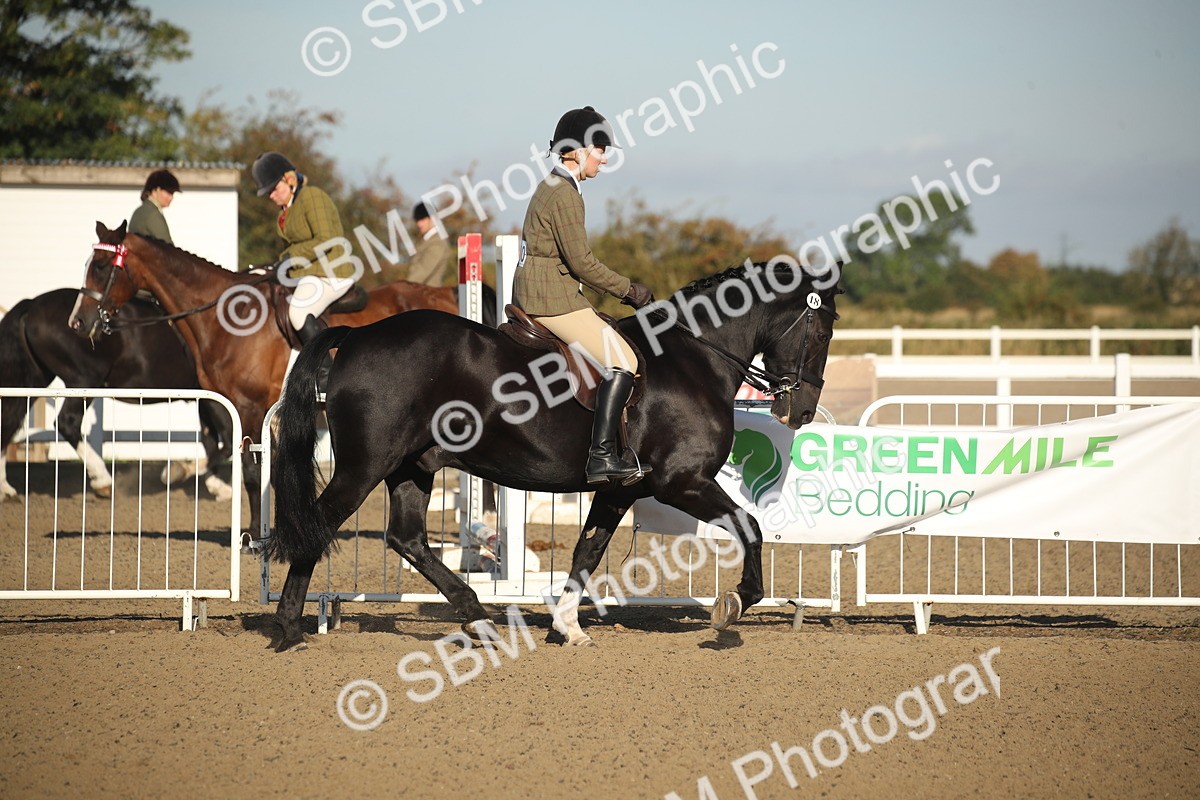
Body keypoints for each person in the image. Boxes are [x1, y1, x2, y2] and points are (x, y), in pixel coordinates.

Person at [513, 106, 655, 486]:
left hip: (543, 290)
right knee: (623, 359)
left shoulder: (555, 186)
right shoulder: (565, 196)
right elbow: (582, 263)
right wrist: (630, 290)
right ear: (575, 150)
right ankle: (602, 455)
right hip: (550, 299)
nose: (604, 157)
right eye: (599, 148)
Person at [251, 151, 356, 347]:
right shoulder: (285, 212)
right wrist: (274, 266)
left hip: (331, 272)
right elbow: (291, 249)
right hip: (307, 273)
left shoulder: (312, 197)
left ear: (289, 179)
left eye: (274, 189)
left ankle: (323, 373)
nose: (271, 196)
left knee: (298, 312)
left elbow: (327, 239)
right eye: (268, 193)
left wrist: (290, 258)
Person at [405, 202, 452, 286]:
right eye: (417, 220)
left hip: (428, 294)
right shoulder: (425, 240)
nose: (419, 224)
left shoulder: (437, 243)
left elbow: (423, 272)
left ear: (432, 218)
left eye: (422, 220)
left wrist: (403, 289)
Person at [128, 169, 180, 244]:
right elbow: (169, 250)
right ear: (156, 190)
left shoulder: (139, 211)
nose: (171, 197)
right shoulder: (153, 214)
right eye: (169, 192)